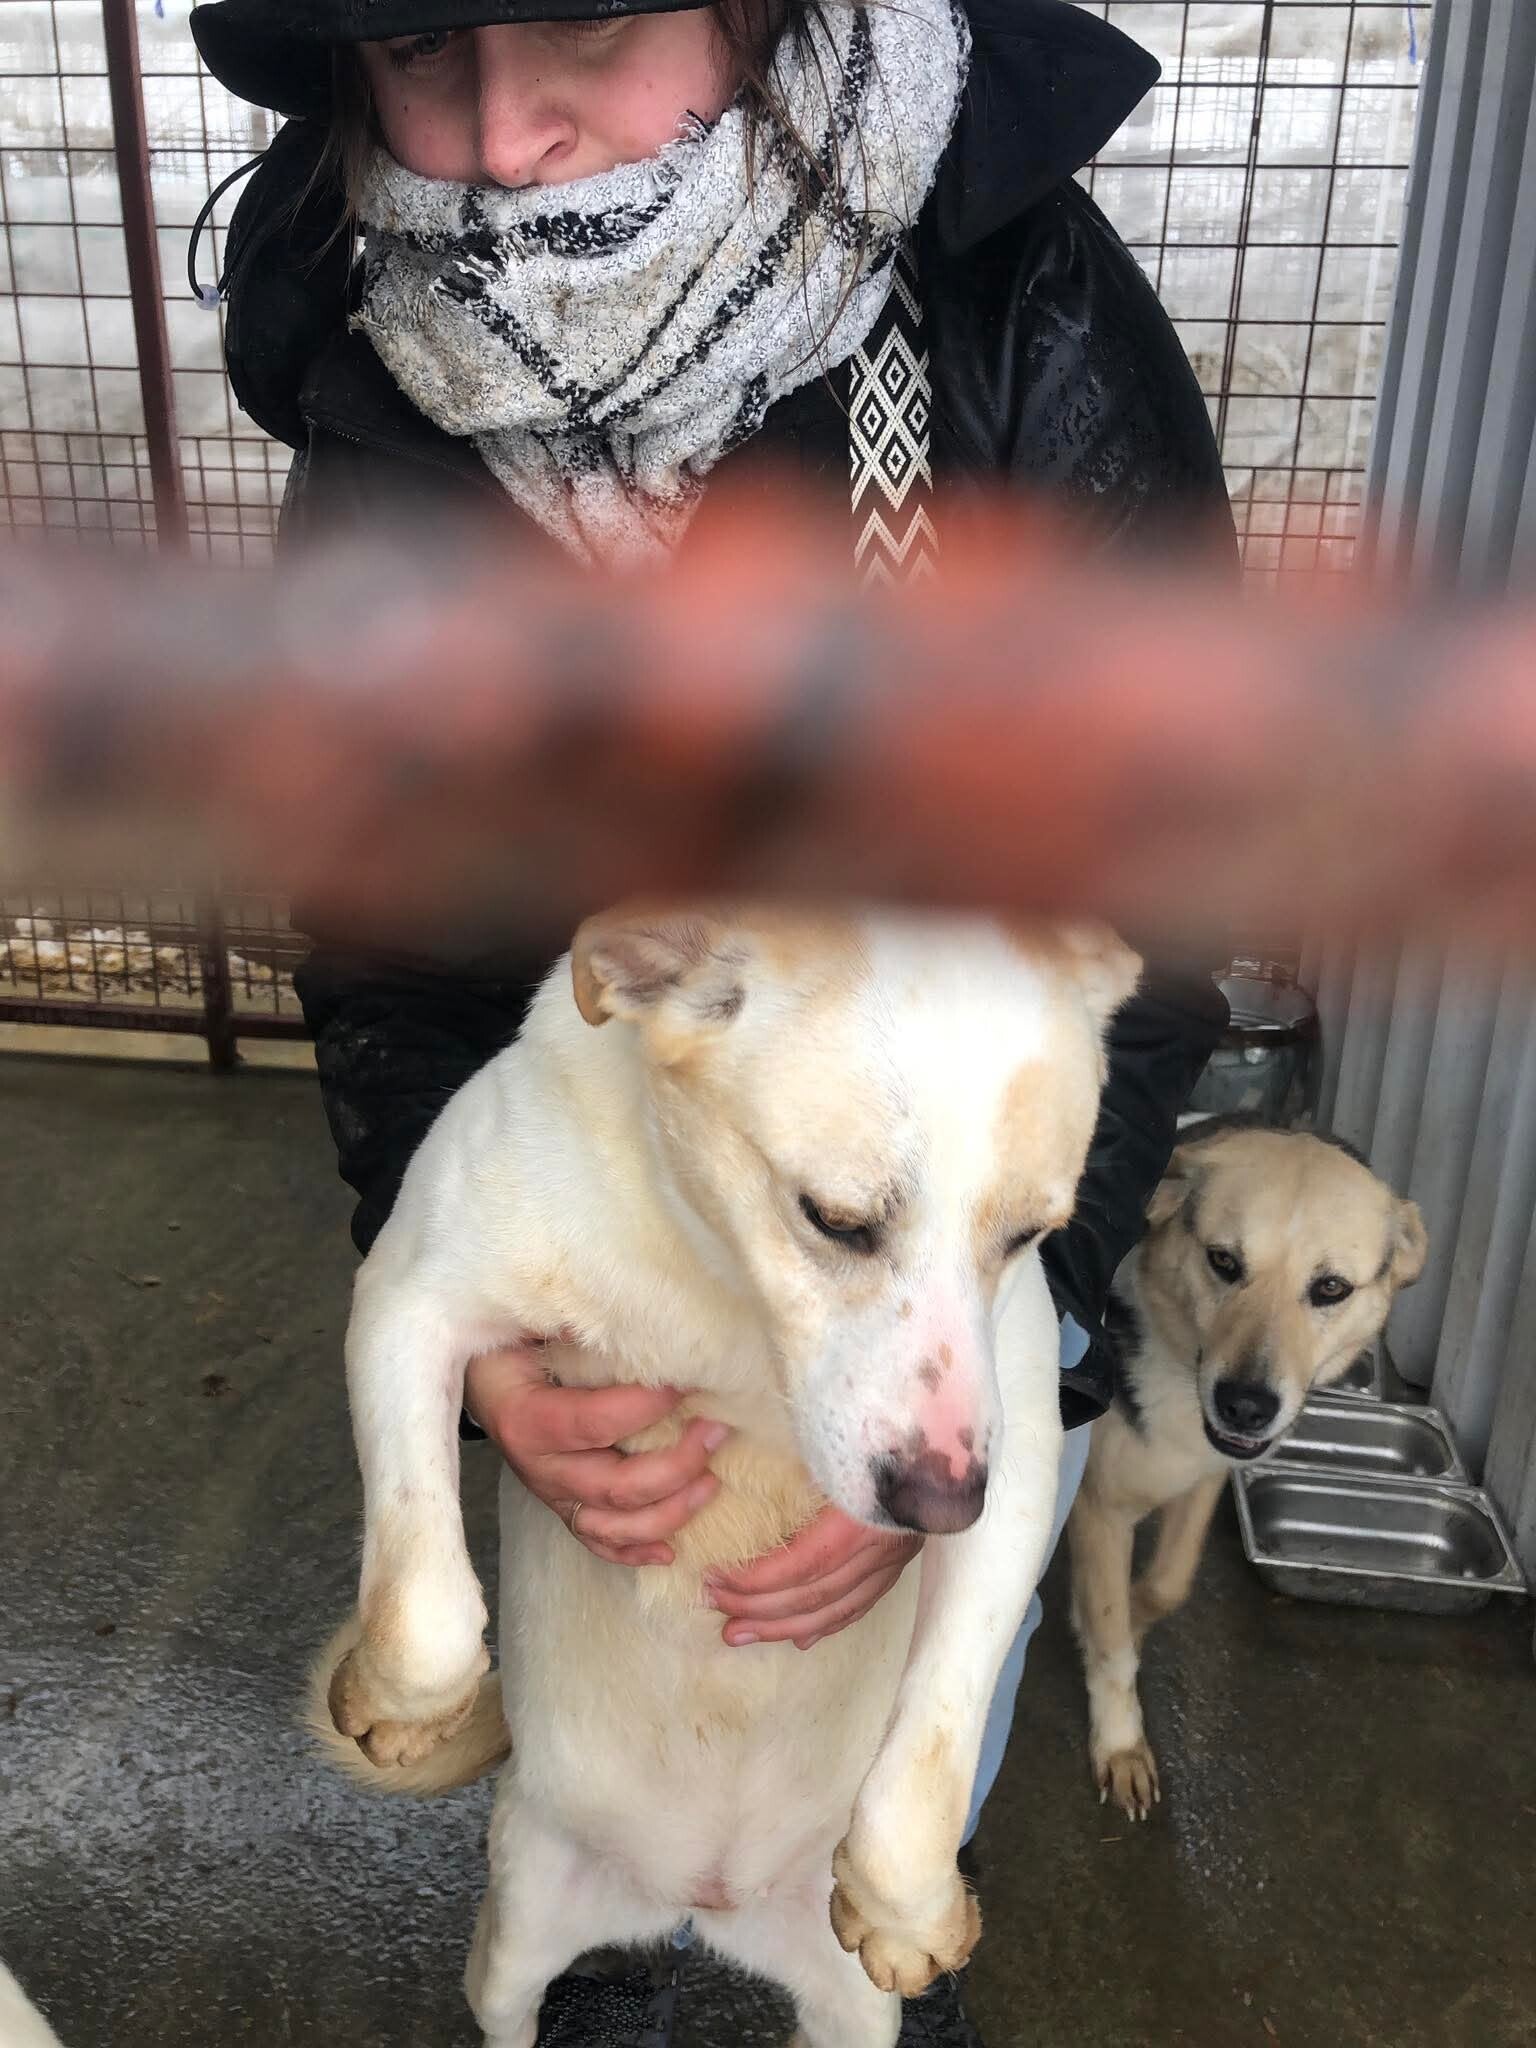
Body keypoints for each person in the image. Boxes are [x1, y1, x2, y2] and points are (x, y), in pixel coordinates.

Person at [189, 0, 1232, 2040]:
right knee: (589, 1848)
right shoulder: (378, 377)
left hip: (925, 1243)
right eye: (419, 47)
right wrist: (476, 1334)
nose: (503, 140)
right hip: (623, 1254)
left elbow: (1168, 913)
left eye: (583, 23)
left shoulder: (1013, 313)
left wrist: (1004, 1327)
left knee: (873, 1880)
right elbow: (395, 940)